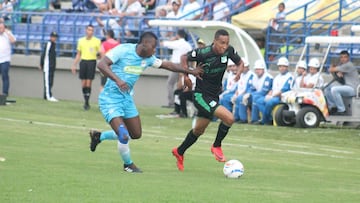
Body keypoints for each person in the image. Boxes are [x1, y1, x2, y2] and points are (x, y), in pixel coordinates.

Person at [88, 32, 203, 173]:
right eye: (153, 47)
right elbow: (102, 64)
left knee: (135, 134)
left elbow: (167, 65)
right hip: (110, 99)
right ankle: (128, 165)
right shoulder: (123, 50)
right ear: (144, 44)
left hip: (127, 99)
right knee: (123, 135)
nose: (155, 51)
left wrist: (190, 71)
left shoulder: (148, 58)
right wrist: (118, 80)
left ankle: (99, 136)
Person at [172, 29, 244, 171]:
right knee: (229, 118)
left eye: (227, 43)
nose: (224, 46)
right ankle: (216, 145)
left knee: (198, 130)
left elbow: (240, 62)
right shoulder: (203, 53)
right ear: (215, 41)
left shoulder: (228, 51)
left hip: (214, 95)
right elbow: (183, 57)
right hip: (201, 95)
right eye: (222, 43)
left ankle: (179, 151)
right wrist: (186, 75)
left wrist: (239, 73)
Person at [252, 56, 293, 125]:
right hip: (274, 95)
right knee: (258, 101)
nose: (282, 68)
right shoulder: (277, 77)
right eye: (280, 66)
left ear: (287, 67)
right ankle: (269, 118)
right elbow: (272, 88)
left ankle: (265, 121)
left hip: (281, 97)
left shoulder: (289, 77)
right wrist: (269, 94)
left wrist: (273, 95)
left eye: (284, 66)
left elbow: (284, 90)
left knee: (269, 103)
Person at [71, 24, 101, 110]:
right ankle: (86, 100)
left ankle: (86, 103)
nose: (90, 32)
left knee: (88, 82)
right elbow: (78, 54)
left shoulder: (97, 41)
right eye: (89, 30)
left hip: (91, 61)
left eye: (92, 30)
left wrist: (98, 55)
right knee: (83, 83)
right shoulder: (81, 41)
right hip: (83, 62)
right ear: (86, 30)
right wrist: (74, 65)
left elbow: (99, 54)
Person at [160, 29, 193, 108]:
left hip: (176, 66)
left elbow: (162, 44)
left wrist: (172, 39)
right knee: (182, 85)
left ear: (178, 35)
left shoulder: (177, 43)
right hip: (185, 65)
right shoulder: (188, 45)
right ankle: (181, 104)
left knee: (170, 84)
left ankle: (171, 103)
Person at [324, 50, 359, 115]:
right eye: (341, 57)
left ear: (348, 58)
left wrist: (332, 66)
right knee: (327, 87)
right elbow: (337, 75)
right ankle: (333, 106)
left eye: (345, 57)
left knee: (334, 89)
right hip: (347, 86)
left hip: (353, 88)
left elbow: (331, 69)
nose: (343, 59)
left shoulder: (348, 65)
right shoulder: (343, 66)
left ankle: (342, 110)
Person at [249, 59, 273, 124]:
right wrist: (249, 94)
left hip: (266, 95)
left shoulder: (268, 78)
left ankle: (264, 118)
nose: (257, 71)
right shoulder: (254, 77)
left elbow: (264, 91)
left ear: (263, 69)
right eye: (256, 69)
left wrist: (252, 94)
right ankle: (247, 118)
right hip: (258, 95)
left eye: (259, 69)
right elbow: (252, 88)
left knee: (256, 99)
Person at [232, 58, 254, 123]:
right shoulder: (241, 75)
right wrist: (236, 92)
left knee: (240, 98)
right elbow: (239, 86)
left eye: (244, 67)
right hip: (241, 93)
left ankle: (243, 118)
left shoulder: (251, 75)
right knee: (236, 98)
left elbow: (250, 87)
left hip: (249, 94)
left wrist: (245, 93)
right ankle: (236, 117)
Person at [40, 31, 59, 102]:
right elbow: (44, 54)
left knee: (50, 81)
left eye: (55, 37)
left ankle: (47, 95)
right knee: (48, 82)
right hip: (47, 66)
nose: (55, 38)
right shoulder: (49, 44)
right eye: (53, 37)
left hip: (51, 67)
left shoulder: (54, 44)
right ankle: (48, 96)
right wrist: (41, 64)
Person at [0, 22, 16, 96]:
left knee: (5, 76)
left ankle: (5, 93)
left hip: (5, 60)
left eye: (1, 28)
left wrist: (7, 32)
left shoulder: (8, 34)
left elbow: (13, 41)